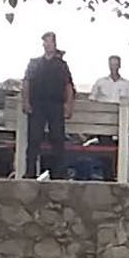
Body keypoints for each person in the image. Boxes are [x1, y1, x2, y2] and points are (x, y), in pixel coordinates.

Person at [23, 31, 75, 178]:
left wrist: (68, 105)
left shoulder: (61, 65)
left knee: (57, 139)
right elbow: (26, 82)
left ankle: (58, 174)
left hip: (56, 105)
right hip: (37, 104)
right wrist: (26, 101)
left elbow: (68, 86)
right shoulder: (34, 63)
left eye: (50, 41)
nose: (47, 44)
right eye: (45, 42)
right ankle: (30, 172)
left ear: (54, 44)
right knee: (34, 139)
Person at [88, 53, 129, 180]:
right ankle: (108, 176)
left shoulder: (127, 84)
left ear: (119, 66)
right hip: (104, 123)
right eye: (112, 64)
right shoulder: (100, 82)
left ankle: (122, 175)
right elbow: (92, 100)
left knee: (124, 148)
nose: (114, 67)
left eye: (116, 64)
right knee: (106, 149)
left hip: (123, 123)